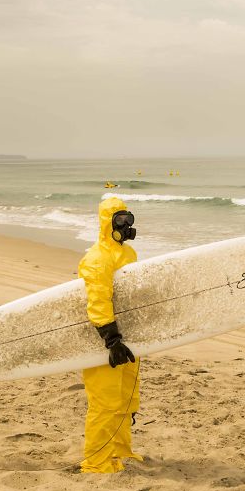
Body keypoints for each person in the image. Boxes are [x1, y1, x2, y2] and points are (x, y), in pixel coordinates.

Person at [77, 196, 141, 473]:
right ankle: (96, 461)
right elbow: (98, 300)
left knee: (127, 397)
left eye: (129, 219)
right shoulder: (96, 259)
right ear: (107, 223)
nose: (126, 226)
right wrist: (111, 339)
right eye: (120, 220)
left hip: (127, 336)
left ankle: (120, 450)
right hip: (102, 339)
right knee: (105, 403)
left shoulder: (127, 254)